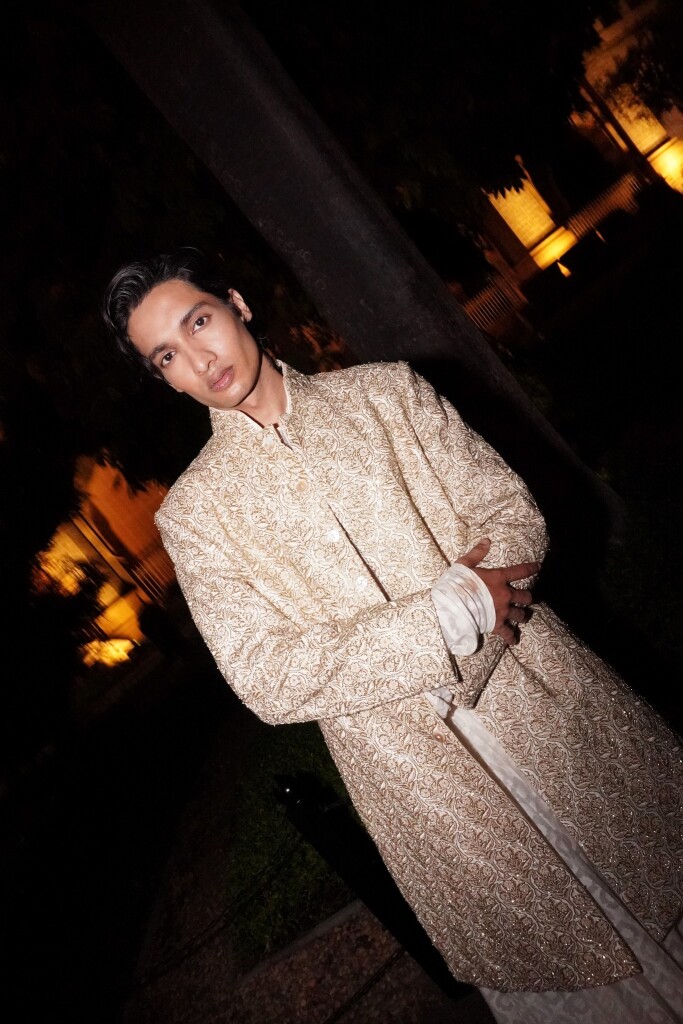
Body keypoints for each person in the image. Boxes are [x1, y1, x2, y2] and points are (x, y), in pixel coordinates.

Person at [102, 247, 683, 1022]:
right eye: (167, 356)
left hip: (549, 705)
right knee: (575, 988)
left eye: (198, 321)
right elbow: (265, 676)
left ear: (237, 304)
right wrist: (447, 615)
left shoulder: (385, 394)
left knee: (659, 883)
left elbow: (509, 514)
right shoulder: (195, 516)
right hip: (426, 795)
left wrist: (467, 619)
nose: (198, 359)